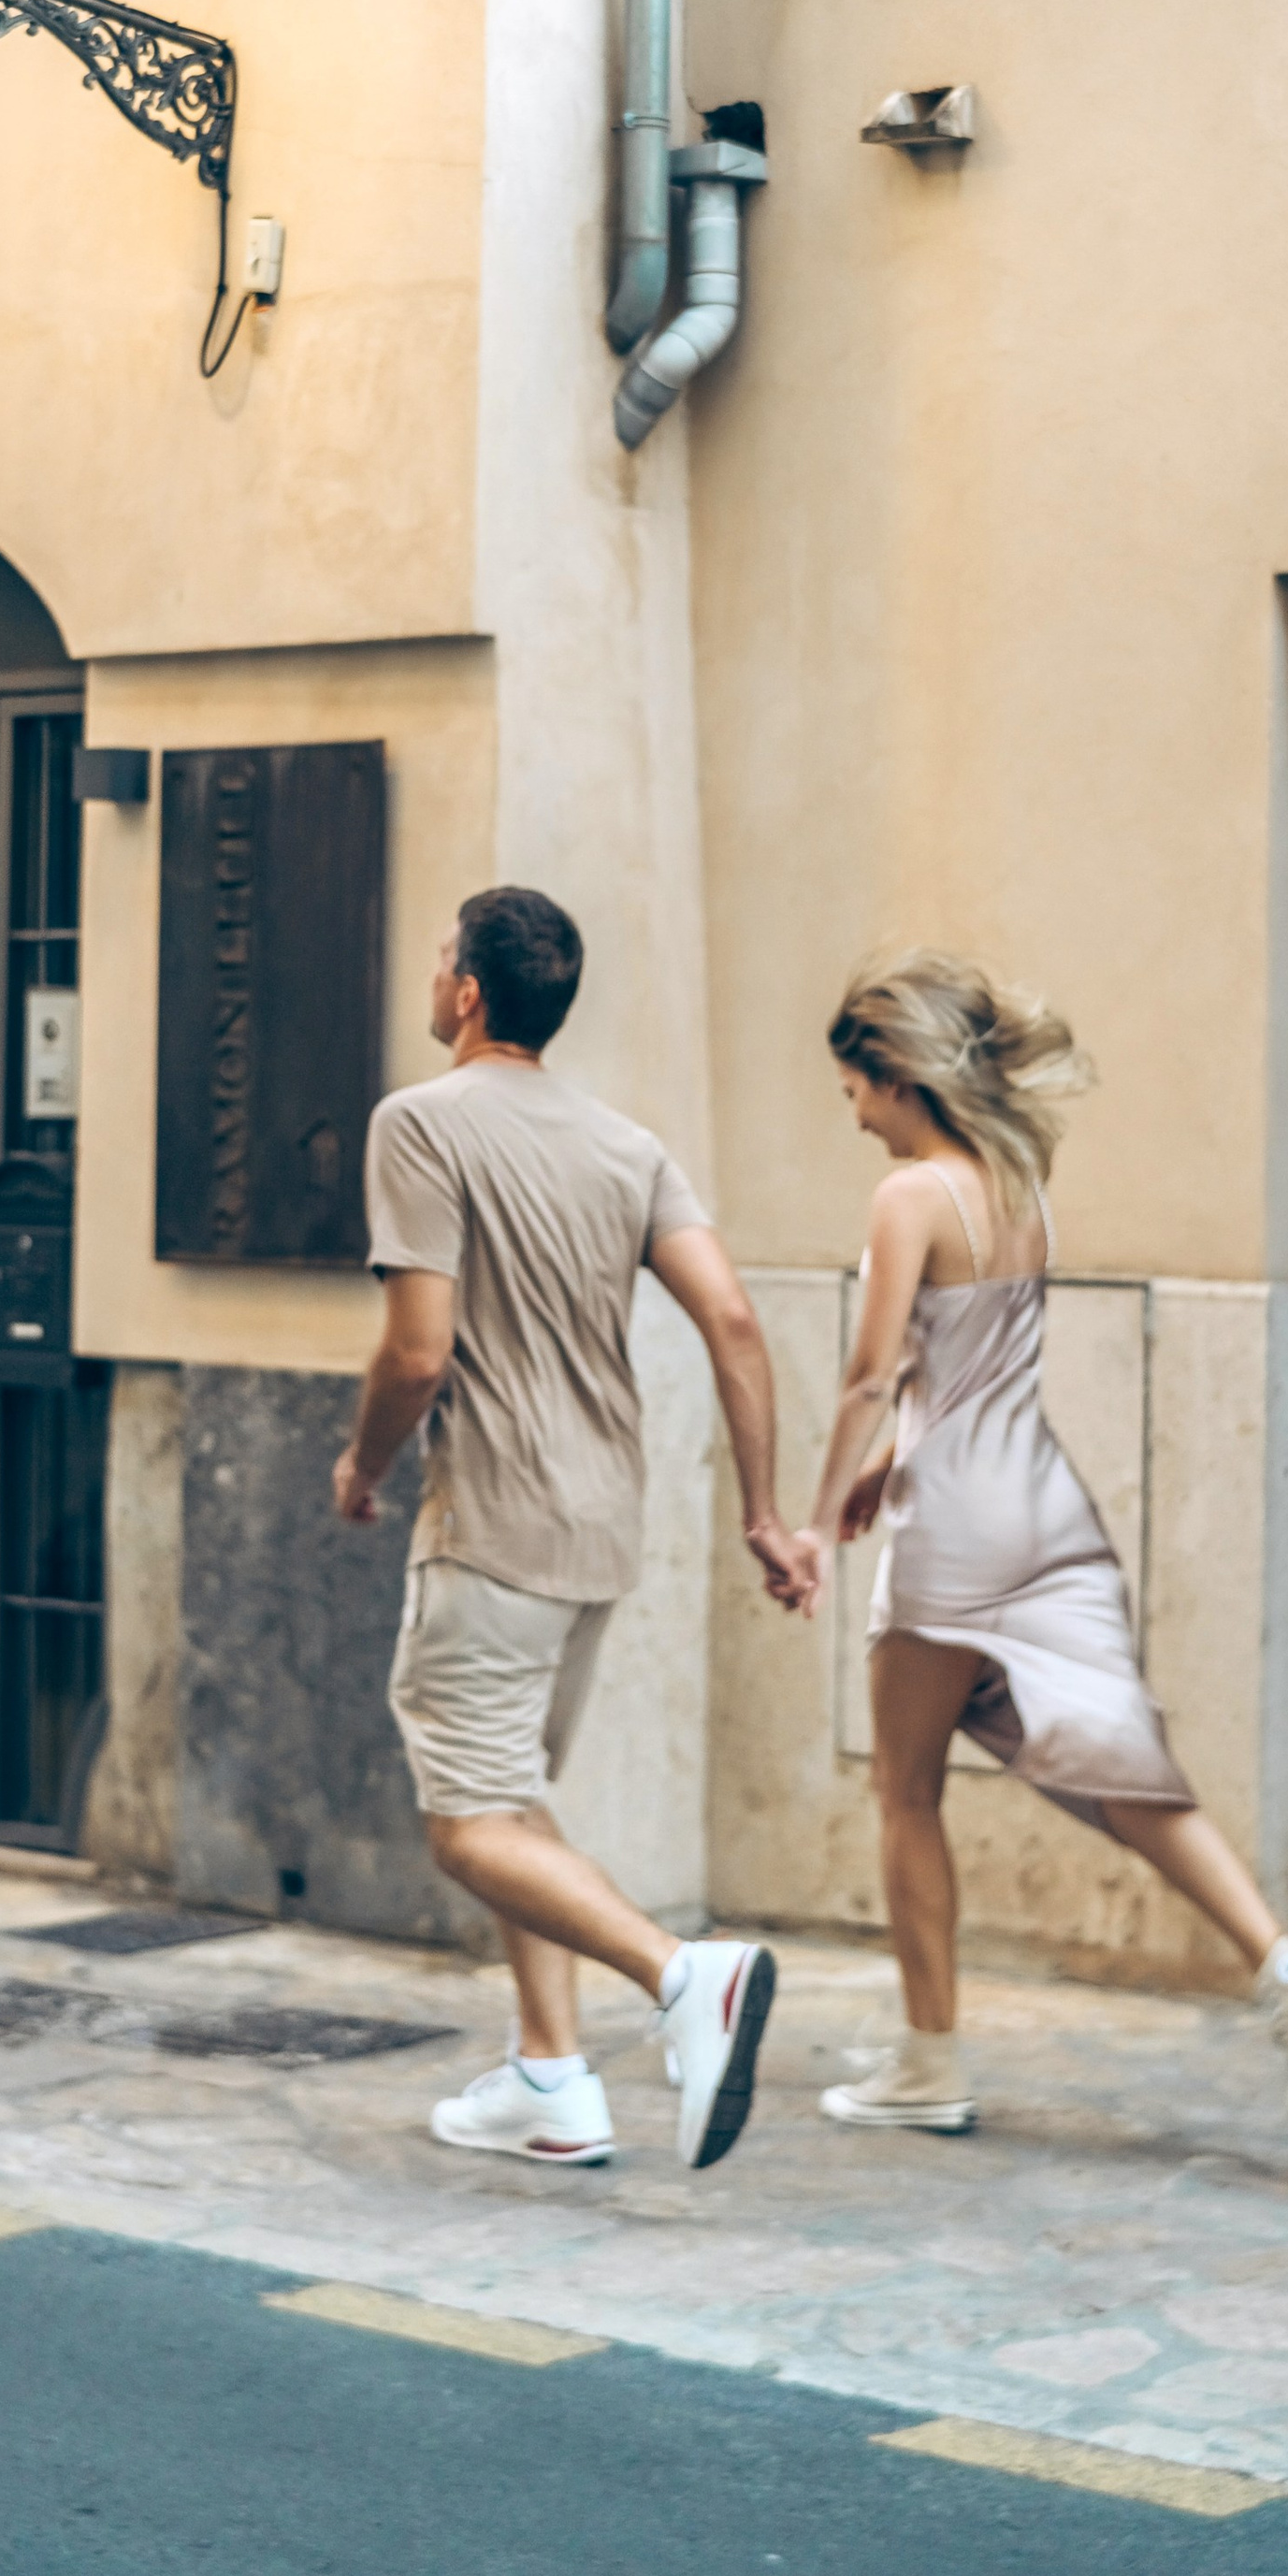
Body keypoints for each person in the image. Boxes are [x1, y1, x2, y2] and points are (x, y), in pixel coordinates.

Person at [794, 953, 1288, 2137]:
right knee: (1123, 1764)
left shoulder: (910, 1198)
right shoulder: (1022, 1183)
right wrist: (891, 1463)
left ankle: (928, 2064)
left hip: (955, 1532)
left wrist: (815, 1513)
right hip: (1045, 1513)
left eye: (853, 1090)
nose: (852, 1117)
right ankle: (1283, 1965)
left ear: (897, 1075)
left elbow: (872, 1373)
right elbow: (976, 1371)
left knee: (905, 1792)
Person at [333, 885, 809, 2170]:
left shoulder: (419, 1123)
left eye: (441, 959)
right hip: (601, 1527)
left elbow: (417, 1352)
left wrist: (363, 1462)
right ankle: (550, 2078)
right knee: (515, 1804)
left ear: (468, 993)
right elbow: (736, 1323)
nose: (432, 977)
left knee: (468, 1825)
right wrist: (764, 1514)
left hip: (494, 1522)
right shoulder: (626, 1145)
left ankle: (682, 1977)